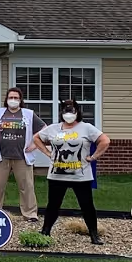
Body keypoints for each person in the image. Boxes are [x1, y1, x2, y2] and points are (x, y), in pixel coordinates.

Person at [32, 99, 110, 245]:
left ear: (77, 112)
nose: (69, 114)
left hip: (81, 176)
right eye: (66, 111)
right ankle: (45, 231)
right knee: (53, 205)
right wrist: (47, 153)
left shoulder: (86, 128)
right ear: (61, 113)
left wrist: (93, 157)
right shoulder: (53, 129)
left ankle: (94, 234)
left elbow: (105, 140)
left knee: (87, 205)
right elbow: (36, 138)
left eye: (72, 111)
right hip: (56, 175)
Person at [0, 86, 44, 221]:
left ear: (20, 100)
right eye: (11, 98)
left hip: (22, 157)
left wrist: (34, 145)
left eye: (16, 98)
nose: (13, 100)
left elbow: (44, 129)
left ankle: (30, 214)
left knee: (27, 187)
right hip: (1, 157)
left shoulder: (28, 114)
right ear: (6, 100)